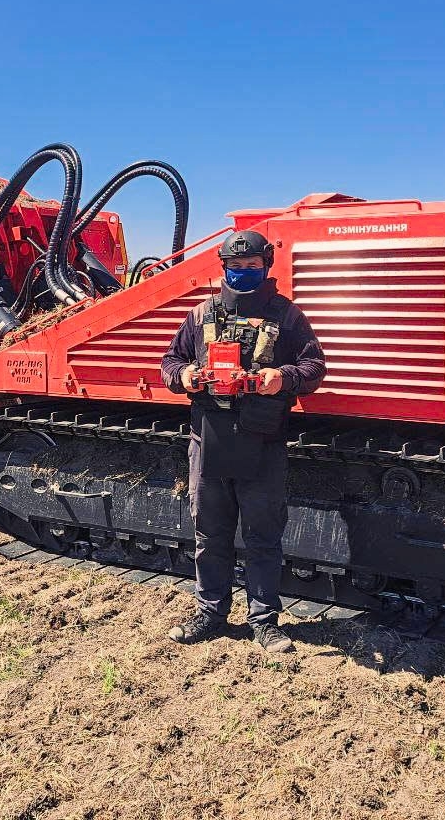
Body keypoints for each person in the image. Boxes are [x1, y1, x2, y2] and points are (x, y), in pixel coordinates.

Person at [160, 230, 326, 653]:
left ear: (266, 267)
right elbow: (170, 361)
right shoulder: (200, 315)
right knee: (209, 533)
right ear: (224, 267)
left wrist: (283, 377)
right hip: (209, 439)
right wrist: (183, 377)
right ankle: (210, 614)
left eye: (252, 267)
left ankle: (264, 622)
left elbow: (314, 366)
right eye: (236, 267)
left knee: (262, 535)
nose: (244, 273)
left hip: (263, 441)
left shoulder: (287, 316)